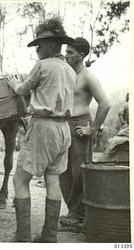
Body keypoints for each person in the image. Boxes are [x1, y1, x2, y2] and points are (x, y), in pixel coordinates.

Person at [7, 17, 76, 242]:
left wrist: (13, 83)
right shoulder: (69, 70)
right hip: (64, 129)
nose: (37, 48)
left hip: (44, 127)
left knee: (20, 179)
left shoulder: (43, 65)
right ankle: (50, 236)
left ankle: (23, 237)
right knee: (53, 179)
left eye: (39, 44)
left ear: (49, 45)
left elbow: (22, 90)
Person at [59, 37, 110, 227]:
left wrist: (93, 129)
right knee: (62, 171)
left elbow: (105, 103)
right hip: (63, 125)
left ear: (81, 55)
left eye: (70, 53)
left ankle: (79, 215)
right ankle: (73, 213)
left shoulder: (88, 76)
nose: (66, 55)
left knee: (79, 173)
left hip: (80, 126)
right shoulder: (66, 74)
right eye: (66, 51)